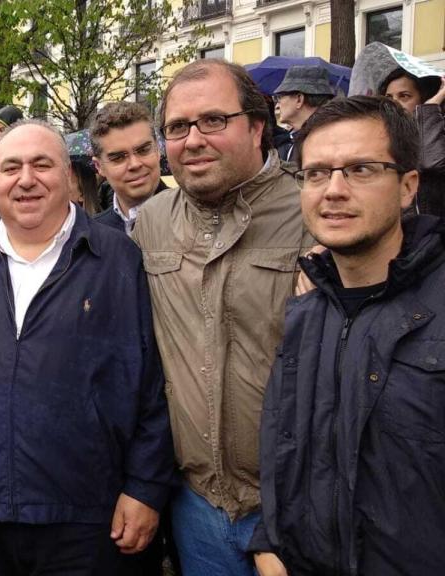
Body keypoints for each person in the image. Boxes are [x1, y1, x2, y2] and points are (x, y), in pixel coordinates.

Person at [0, 119, 176, 575]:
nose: (26, 179)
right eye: (11, 167)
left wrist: (144, 486)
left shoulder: (116, 258)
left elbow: (154, 384)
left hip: (92, 516)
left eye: (42, 164)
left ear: (70, 176)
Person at [130, 59, 314, 576]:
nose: (192, 140)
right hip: (196, 505)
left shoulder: (314, 210)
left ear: (258, 126)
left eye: (213, 120)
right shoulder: (150, 224)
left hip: (294, 503)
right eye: (177, 127)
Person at [250, 95, 445, 576]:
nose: (332, 190)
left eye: (360, 170)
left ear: (407, 186)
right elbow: (285, 446)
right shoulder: (306, 310)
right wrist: (271, 544)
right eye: (316, 173)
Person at [91, 101, 167, 235]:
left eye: (143, 150)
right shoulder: (91, 235)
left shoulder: (195, 219)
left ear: (158, 150)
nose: (135, 164)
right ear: (99, 166)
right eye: (118, 158)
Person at [380, 69, 445, 218]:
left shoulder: (438, 130)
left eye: (404, 96)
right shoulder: (382, 137)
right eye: (389, 97)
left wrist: (430, 106)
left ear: (424, 98)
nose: (394, 103)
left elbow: (431, 162)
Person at [272, 65, 335, 164]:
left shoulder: (323, 142)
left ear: (299, 99)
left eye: (280, 97)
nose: (277, 106)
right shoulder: (294, 139)